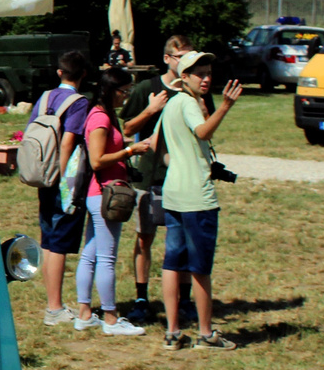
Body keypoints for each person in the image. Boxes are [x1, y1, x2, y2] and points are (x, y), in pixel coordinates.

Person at [120, 35, 214, 323]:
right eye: (179, 56)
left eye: (189, 55)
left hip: (183, 179)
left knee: (182, 242)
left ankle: (184, 300)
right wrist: (151, 110)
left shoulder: (198, 88)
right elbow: (126, 128)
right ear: (167, 59)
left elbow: (206, 128)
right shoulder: (148, 87)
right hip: (149, 176)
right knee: (145, 237)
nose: (184, 60)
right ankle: (141, 297)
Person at [158, 51, 242, 350]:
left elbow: (158, 148)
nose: (206, 79)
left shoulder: (170, 104)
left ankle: (172, 332)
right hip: (197, 199)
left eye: (208, 73)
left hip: (173, 194)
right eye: (199, 74)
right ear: (185, 78)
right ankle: (206, 334)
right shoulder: (189, 103)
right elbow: (203, 131)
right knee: (200, 268)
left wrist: (182, 163)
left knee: (172, 263)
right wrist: (226, 107)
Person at [74, 67, 153, 335]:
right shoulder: (100, 118)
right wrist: (130, 150)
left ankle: (85, 314)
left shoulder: (103, 116)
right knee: (106, 258)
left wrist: (124, 145)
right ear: (111, 90)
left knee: (90, 254)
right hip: (106, 195)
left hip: (100, 195)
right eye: (124, 92)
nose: (126, 97)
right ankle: (110, 318)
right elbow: (97, 160)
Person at [32, 50, 91, 326]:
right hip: (62, 179)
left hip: (41, 173)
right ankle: (55, 308)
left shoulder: (45, 97)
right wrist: (60, 171)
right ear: (84, 75)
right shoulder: (79, 103)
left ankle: (51, 302)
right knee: (59, 242)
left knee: (47, 237)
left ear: (59, 72)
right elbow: (69, 140)